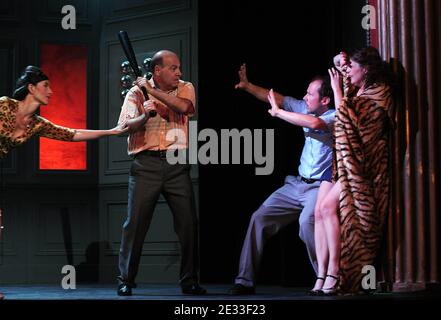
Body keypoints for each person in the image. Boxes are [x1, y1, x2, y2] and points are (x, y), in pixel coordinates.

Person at [0, 65, 128, 299]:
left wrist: (111, 132)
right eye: (46, 86)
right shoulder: (4, 106)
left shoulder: (36, 123)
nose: (51, 91)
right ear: (31, 88)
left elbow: (71, 134)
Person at [228, 63, 335, 295]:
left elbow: (314, 124)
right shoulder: (304, 108)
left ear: (325, 100)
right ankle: (244, 280)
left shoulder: (334, 116)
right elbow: (276, 97)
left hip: (319, 188)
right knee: (259, 217)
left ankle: (327, 278)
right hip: (296, 184)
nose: (305, 97)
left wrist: (278, 114)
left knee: (307, 223)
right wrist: (248, 86)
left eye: (310, 93)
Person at [116, 50, 205, 296]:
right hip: (146, 164)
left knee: (188, 224)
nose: (179, 72)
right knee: (135, 225)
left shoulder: (185, 87)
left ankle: (189, 280)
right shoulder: (135, 93)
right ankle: (126, 279)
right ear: (158, 70)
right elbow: (125, 126)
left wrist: (153, 92)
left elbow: (186, 108)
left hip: (177, 164)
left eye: (179, 68)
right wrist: (145, 115)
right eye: (174, 68)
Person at [314, 47, 394, 294]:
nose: (347, 72)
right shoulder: (356, 88)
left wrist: (337, 90)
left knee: (327, 207)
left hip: (363, 167)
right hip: (346, 163)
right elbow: (339, 62)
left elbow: (347, 119)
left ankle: (335, 272)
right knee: (319, 211)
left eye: (352, 69)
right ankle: (321, 275)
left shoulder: (378, 94)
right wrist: (341, 61)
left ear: (366, 70)